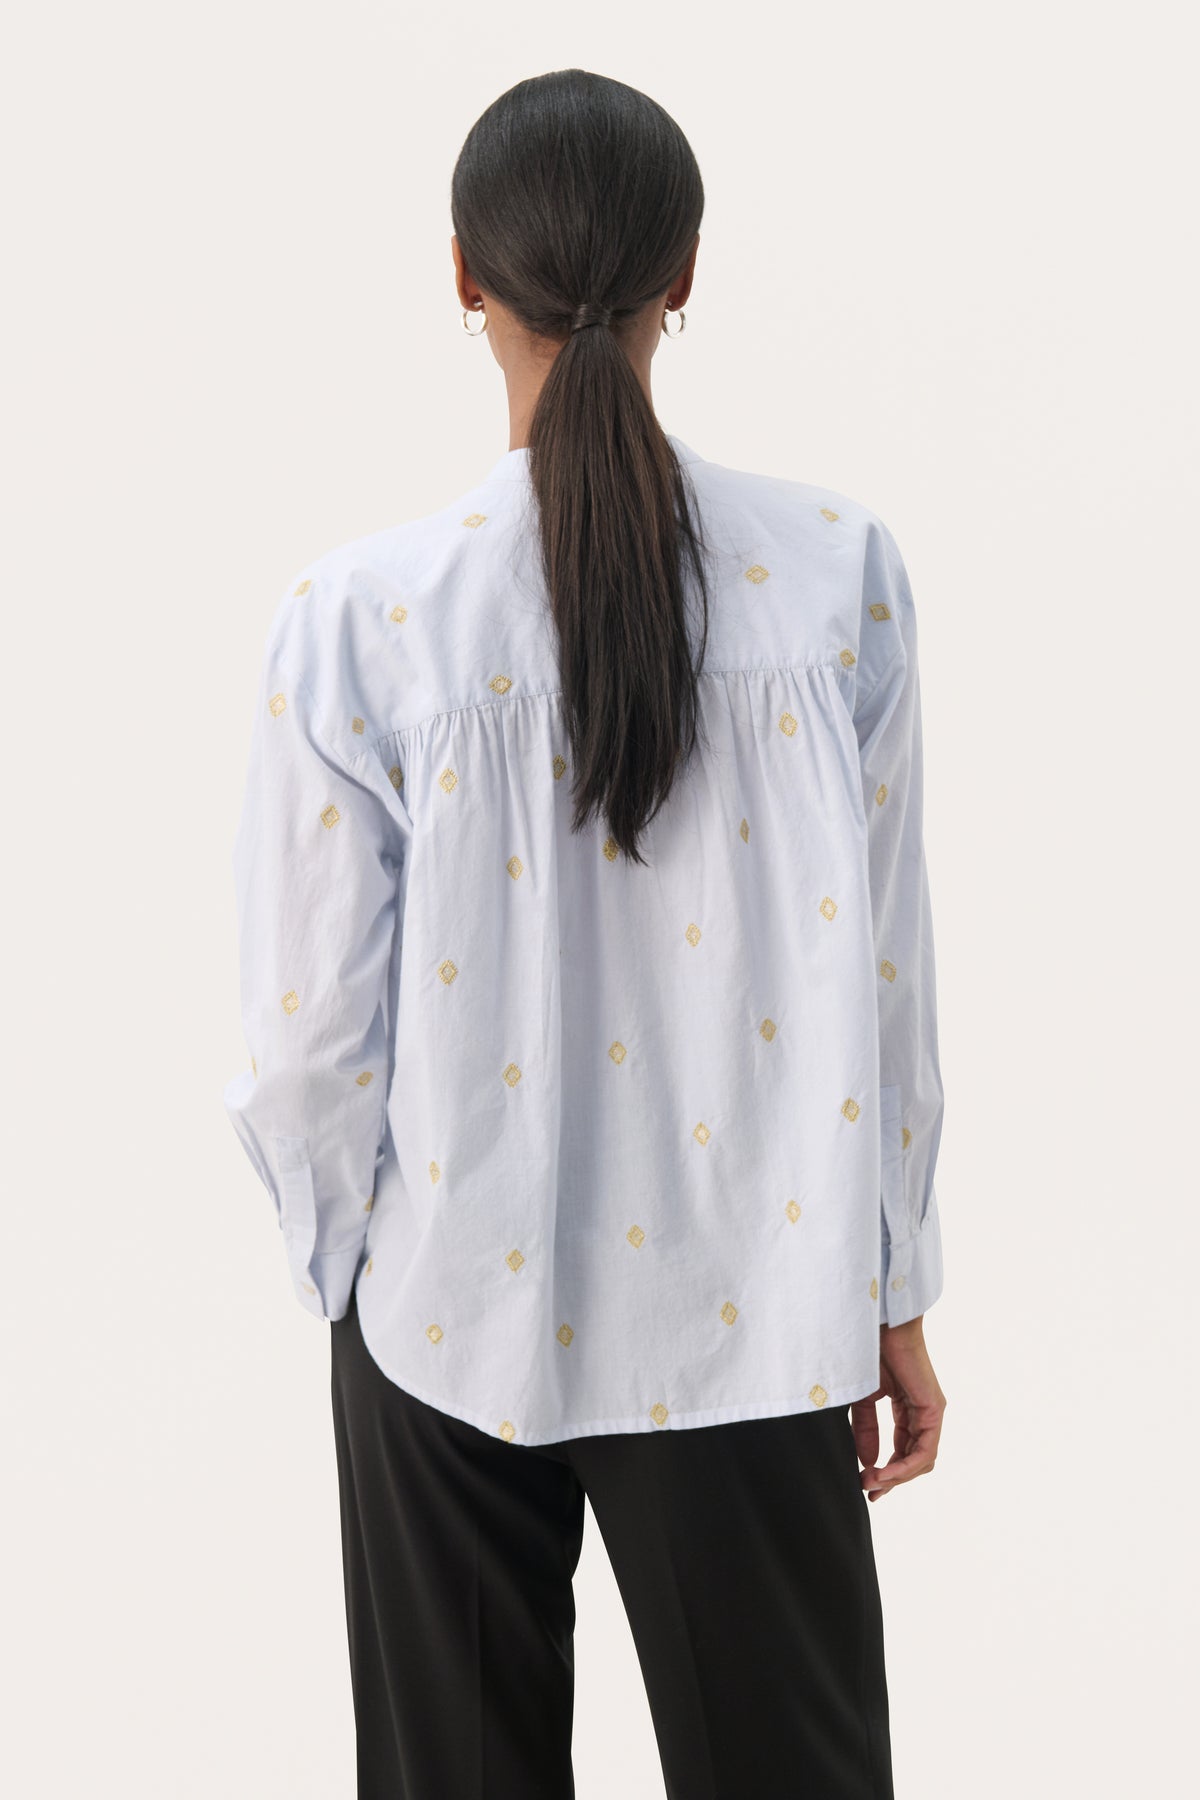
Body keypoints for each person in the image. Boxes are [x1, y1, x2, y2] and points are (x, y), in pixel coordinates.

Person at [222, 66, 949, 1800]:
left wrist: (355, 1273)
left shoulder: (362, 617)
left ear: (463, 277)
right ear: (683, 275)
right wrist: (887, 1283)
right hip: (763, 1299)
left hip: (444, 1311)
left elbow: (308, 1037)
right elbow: (889, 976)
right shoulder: (834, 573)